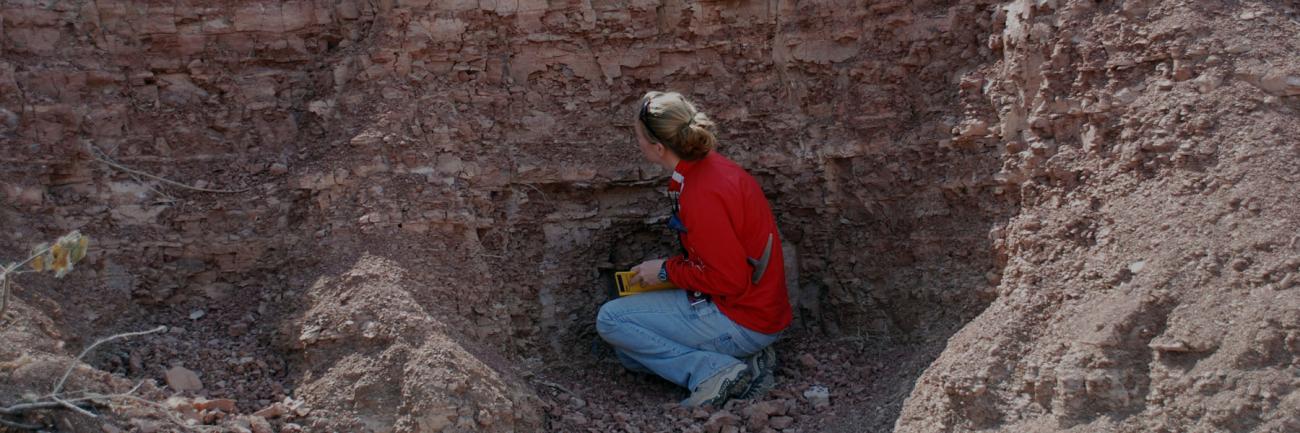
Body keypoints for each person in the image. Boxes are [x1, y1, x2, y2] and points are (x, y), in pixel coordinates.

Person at [596, 91, 793, 407]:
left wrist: (664, 270)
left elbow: (729, 280)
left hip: (744, 318)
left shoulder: (700, 194)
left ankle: (715, 371)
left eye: (638, 139)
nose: (638, 145)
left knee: (612, 321)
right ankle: (750, 363)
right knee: (629, 353)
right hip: (757, 309)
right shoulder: (707, 169)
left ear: (659, 148)